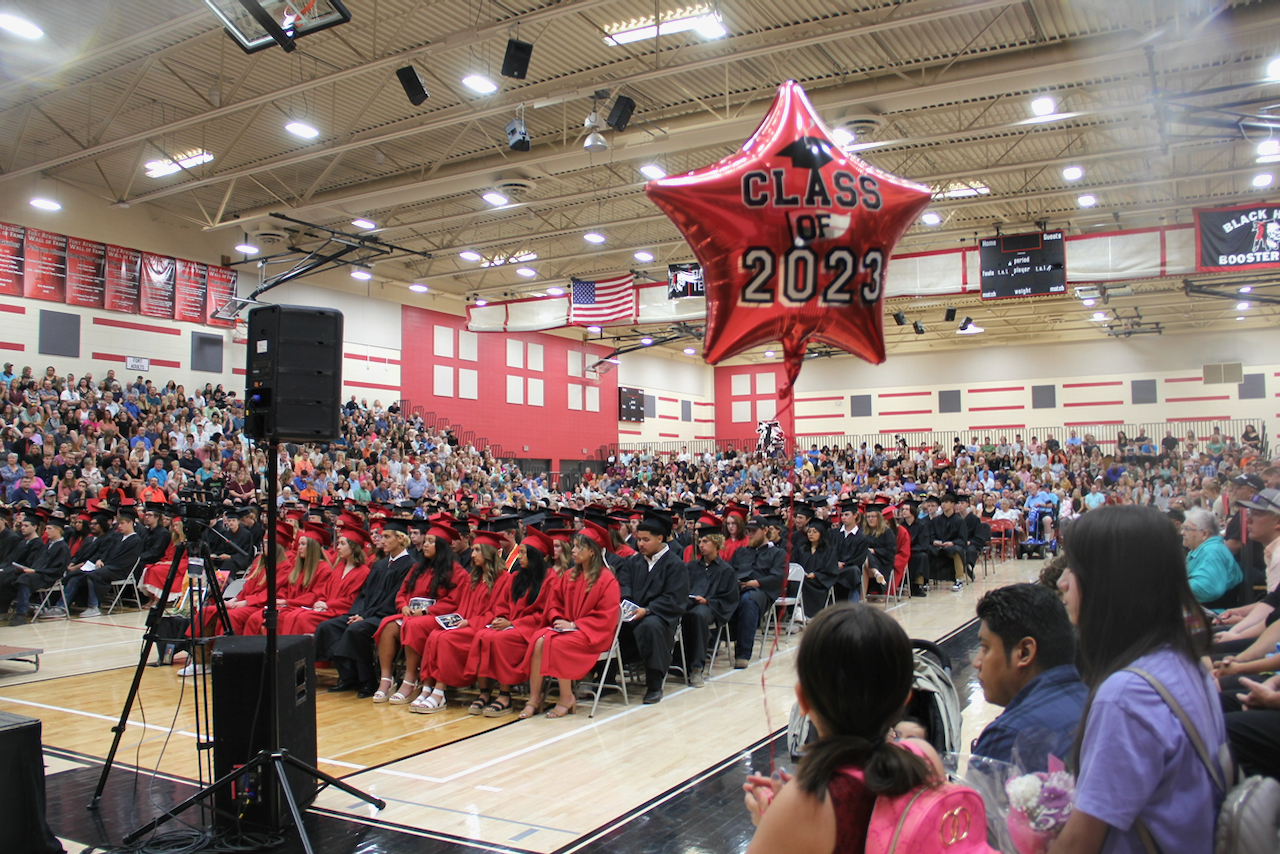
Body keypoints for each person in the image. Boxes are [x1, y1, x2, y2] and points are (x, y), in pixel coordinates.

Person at [1051, 506, 1225, 854]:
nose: (1061, 582)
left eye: (1075, 568)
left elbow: (1079, 845)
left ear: (1111, 583)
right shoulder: (1185, 661)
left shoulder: (1127, 695)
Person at [741, 605, 947, 853]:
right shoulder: (925, 757)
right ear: (905, 698)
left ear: (803, 701)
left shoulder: (805, 803)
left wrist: (768, 822)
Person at [970, 584, 1087, 766]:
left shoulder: (1010, 737)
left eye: (985, 647)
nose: (977, 662)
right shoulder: (1097, 705)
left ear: (1024, 652)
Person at [521, 526, 621, 719]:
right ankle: (534, 698)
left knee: (557, 643)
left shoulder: (607, 580)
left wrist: (575, 626)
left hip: (594, 634)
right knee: (538, 639)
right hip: (568, 629)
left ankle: (566, 698)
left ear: (592, 550)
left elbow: (606, 616)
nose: (572, 551)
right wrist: (558, 619)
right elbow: (553, 603)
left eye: (577, 547)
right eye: (573, 546)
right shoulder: (568, 576)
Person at [313, 519, 416, 697]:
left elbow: (393, 598)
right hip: (366, 613)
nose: (381, 540)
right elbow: (364, 594)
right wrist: (358, 613)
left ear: (400, 539)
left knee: (357, 629)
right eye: (381, 536)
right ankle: (348, 676)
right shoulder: (380, 564)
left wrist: (365, 616)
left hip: (387, 615)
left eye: (386, 536)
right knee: (328, 626)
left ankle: (367, 681)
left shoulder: (410, 565)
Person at [409, 530, 506, 713]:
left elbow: (497, 612)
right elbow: (462, 608)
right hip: (465, 624)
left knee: (446, 639)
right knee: (435, 635)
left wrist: (470, 622)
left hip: (481, 627)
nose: (473, 554)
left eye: (477, 550)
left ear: (488, 553)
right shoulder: (473, 578)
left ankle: (440, 691)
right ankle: (427, 687)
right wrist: (455, 621)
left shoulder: (504, 579)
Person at [468, 528, 555, 716]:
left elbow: (544, 613)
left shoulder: (549, 579)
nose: (519, 556)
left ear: (535, 556)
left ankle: (505, 695)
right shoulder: (516, 577)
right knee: (483, 634)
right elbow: (502, 604)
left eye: (523, 553)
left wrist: (514, 624)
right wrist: (502, 619)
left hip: (531, 629)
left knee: (500, 640)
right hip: (512, 625)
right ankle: (485, 693)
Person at [375, 523, 466, 704]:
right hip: (411, 615)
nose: (425, 545)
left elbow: (453, 602)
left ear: (441, 546)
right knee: (387, 625)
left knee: (414, 626)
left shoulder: (457, 572)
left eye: (431, 542)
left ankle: (410, 680)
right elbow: (401, 593)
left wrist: (425, 611)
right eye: (425, 541)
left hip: (436, 617)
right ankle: (386, 679)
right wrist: (403, 607)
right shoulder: (417, 568)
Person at [614, 509, 689, 704]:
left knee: (650, 626)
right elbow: (625, 585)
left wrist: (647, 610)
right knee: (610, 624)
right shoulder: (633, 562)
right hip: (633, 612)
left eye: (646, 540)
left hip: (660, 616)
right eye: (639, 539)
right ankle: (605, 676)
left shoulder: (674, 564)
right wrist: (629, 606)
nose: (640, 544)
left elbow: (674, 597)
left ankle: (655, 684)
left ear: (660, 539)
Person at [277, 527, 372, 635]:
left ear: (353, 547)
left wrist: (327, 605)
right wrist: (320, 603)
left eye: (342, 544)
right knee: (294, 615)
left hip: (340, 611)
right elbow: (324, 592)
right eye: (339, 543)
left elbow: (353, 599)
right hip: (326, 609)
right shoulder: (339, 569)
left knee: (303, 618)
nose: (338, 547)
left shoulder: (363, 572)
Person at [681, 527, 739, 687]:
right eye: (699, 541)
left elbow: (730, 598)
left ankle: (697, 667)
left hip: (710, 609)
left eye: (705, 541)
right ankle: (677, 663)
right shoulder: (691, 567)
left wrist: (708, 602)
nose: (701, 545)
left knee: (698, 616)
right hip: (689, 605)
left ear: (716, 543)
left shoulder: (726, 570)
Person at [729, 515, 787, 668]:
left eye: (754, 531)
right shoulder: (741, 552)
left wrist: (756, 582)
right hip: (738, 588)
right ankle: (710, 645)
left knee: (748, 601)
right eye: (749, 531)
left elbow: (778, 576)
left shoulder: (777, 553)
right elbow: (728, 571)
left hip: (761, 591)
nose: (751, 534)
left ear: (765, 530)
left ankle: (742, 654)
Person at [1180, 507, 1241, 609]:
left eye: (1187, 529)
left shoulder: (1212, 552)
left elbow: (1208, 589)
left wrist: (1173, 585)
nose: (1182, 532)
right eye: (1183, 528)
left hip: (1214, 615)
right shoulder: (1205, 549)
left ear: (1204, 534)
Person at [796, 517, 838, 620]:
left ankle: (803, 613)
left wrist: (816, 575)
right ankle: (797, 612)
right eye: (809, 531)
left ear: (821, 534)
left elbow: (831, 571)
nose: (811, 534)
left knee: (803, 584)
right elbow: (796, 565)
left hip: (819, 583)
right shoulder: (802, 550)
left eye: (815, 532)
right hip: (804, 579)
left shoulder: (829, 551)